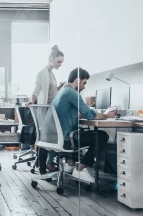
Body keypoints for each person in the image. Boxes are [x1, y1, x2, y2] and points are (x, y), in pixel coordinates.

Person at [51, 67, 116, 182]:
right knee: (102, 136)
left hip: (55, 138)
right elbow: (92, 116)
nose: (84, 86)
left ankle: (70, 165)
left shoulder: (61, 92)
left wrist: (80, 115)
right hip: (65, 140)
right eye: (84, 83)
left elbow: (65, 115)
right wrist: (108, 115)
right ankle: (80, 168)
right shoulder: (72, 93)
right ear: (77, 80)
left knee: (81, 132)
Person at [26, 45, 65, 174]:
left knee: (50, 138)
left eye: (61, 62)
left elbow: (52, 93)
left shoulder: (52, 74)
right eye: (58, 61)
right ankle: (42, 168)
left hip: (53, 110)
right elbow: (37, 88)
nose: (60, 64)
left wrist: (59, 88)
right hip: (47, 110)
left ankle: (46, 164)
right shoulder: (42, 73)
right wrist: (32, 100)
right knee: (44, 138)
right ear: (51, 58)